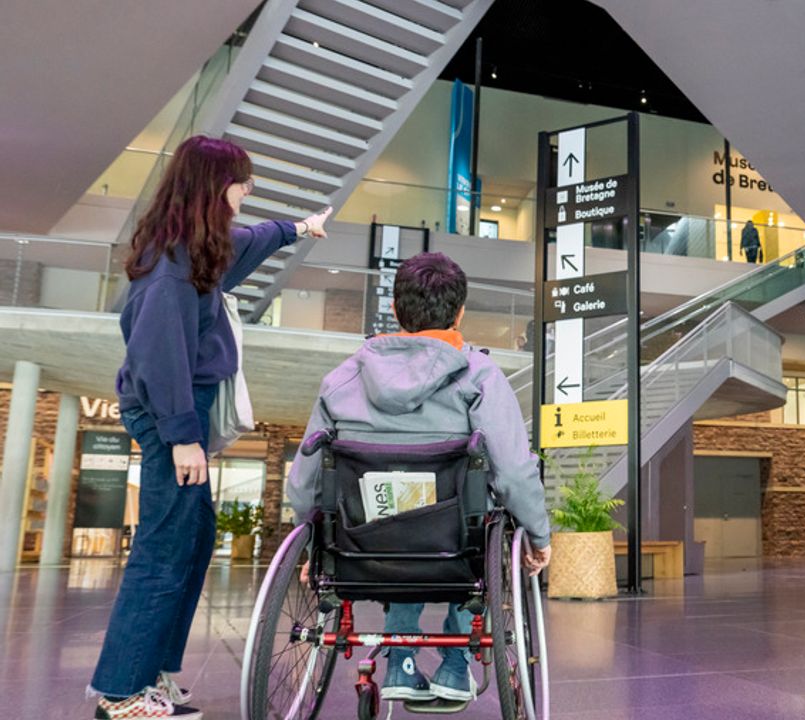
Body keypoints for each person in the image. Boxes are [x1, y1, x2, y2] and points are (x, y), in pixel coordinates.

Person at [90, 135, 332, 720]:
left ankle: (152, 674)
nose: (247, 191)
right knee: (163, 550)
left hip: (180, 412)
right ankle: (121, 693)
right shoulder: (171, 267)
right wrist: (181, 436)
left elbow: (247, 243)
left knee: (193, 541)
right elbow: (158, 355)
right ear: (215, 186)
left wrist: (298, 229)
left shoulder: (193, 253)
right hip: (172, 415)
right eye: (242, 181)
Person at [287, 252, 552, 704]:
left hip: (360, 547)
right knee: (470, 516)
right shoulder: (480, 375)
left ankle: (400, 663)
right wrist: (539, 535)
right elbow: (512, 468)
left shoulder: (342, 378)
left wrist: (309, 540)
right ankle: (455, 666)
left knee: (396, 520)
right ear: (460, 312)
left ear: (395, 310)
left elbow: (305, 478)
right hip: (456, 548)